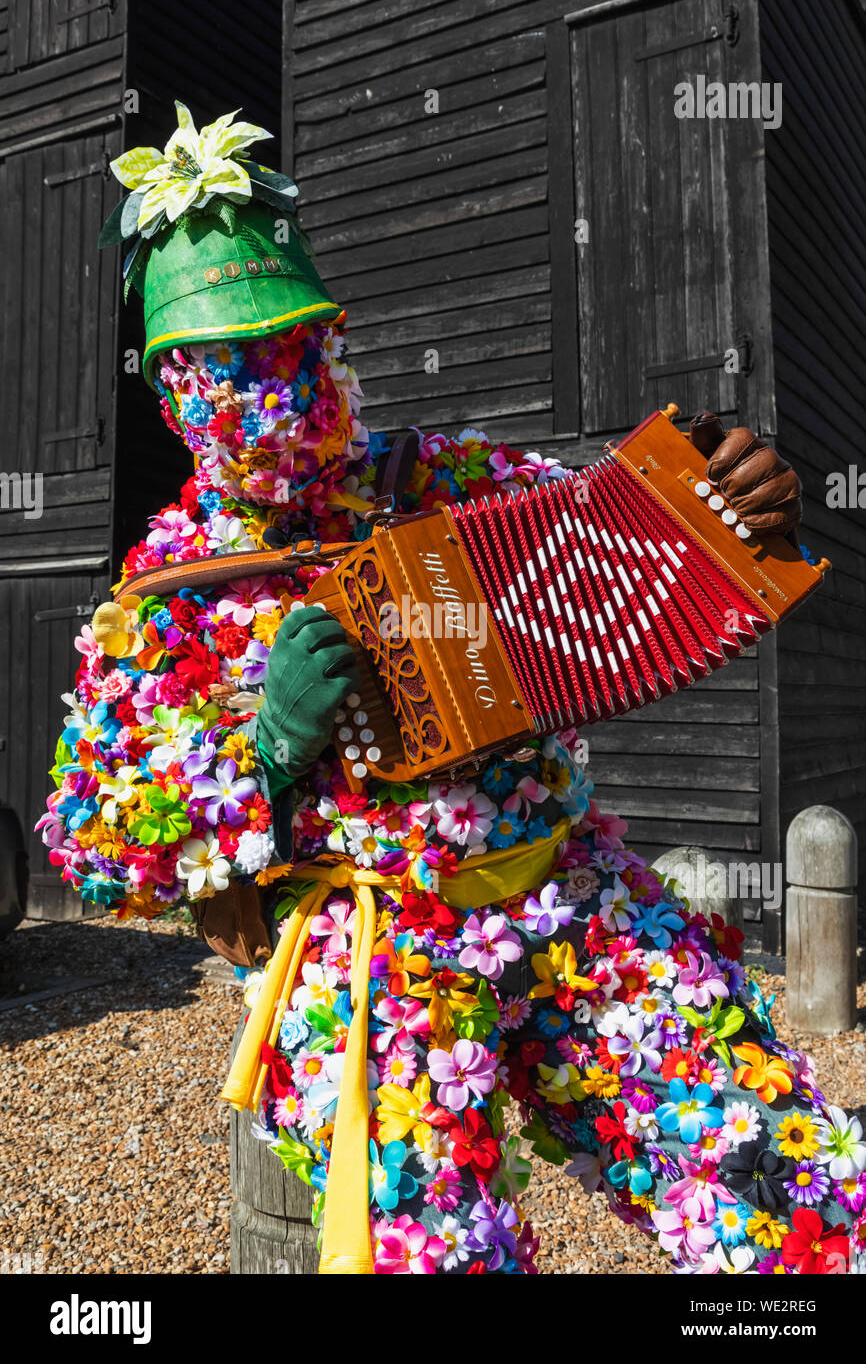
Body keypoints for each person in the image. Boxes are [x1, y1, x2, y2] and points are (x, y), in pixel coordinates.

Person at [40, 104, 863, 1275]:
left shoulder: (450, 479)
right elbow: (94, 840)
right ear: (173, 395)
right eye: (225, 369)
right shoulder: (168, 589)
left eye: (292, 348)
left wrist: (729, 500)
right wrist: (263, 748)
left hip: (571, 898)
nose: (273, 388)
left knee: (784, 1188)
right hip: (369, 957)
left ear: (335, 345)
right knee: (431, 1255)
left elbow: (621, 528)